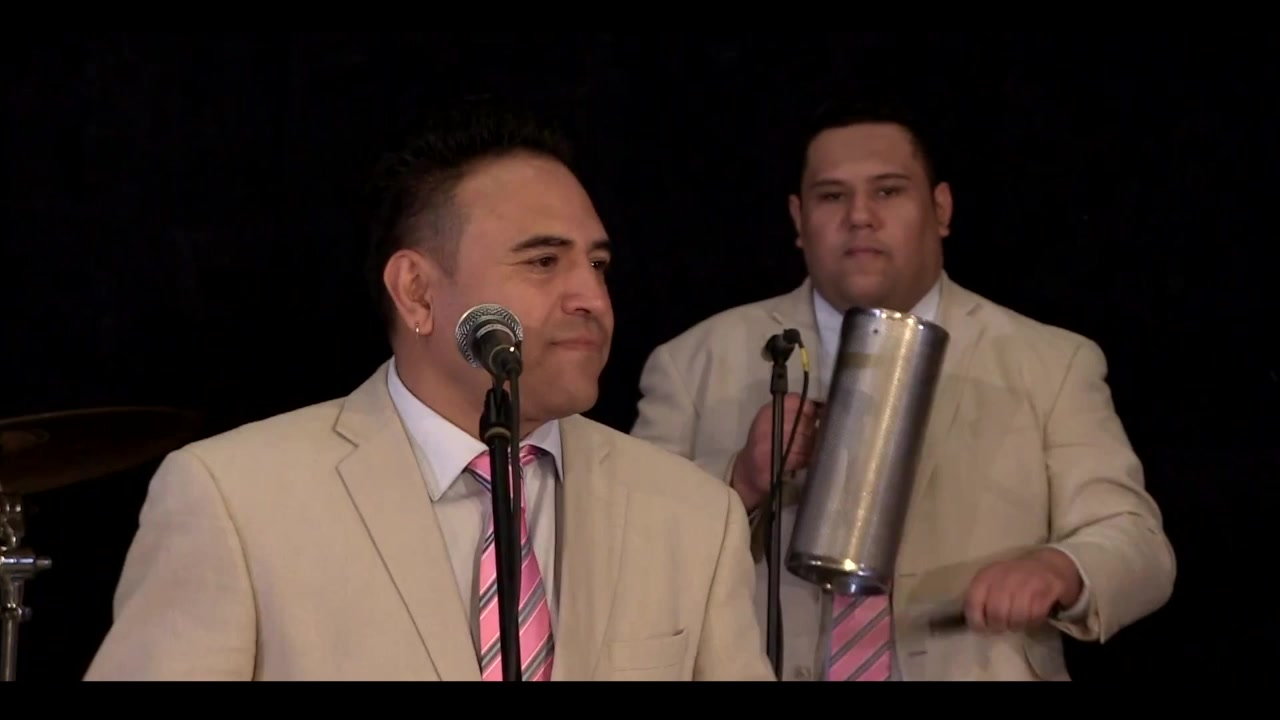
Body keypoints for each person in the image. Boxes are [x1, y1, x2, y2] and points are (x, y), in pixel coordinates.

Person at [84, 100, 774, 681]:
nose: (591, 297)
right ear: (416, 291)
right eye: (543, 261)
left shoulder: (692, 516)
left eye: (598, 264)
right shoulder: (234, 501)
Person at [629, 99, 1176, 681]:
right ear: (798, 219)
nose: (860, 216)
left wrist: (1061, 568)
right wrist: (739, 481)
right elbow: (624, 560)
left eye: (888, 191)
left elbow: (1137, 542)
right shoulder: (691, 363)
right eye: (831, 196)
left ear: (941, 209)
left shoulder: (1051, 363)